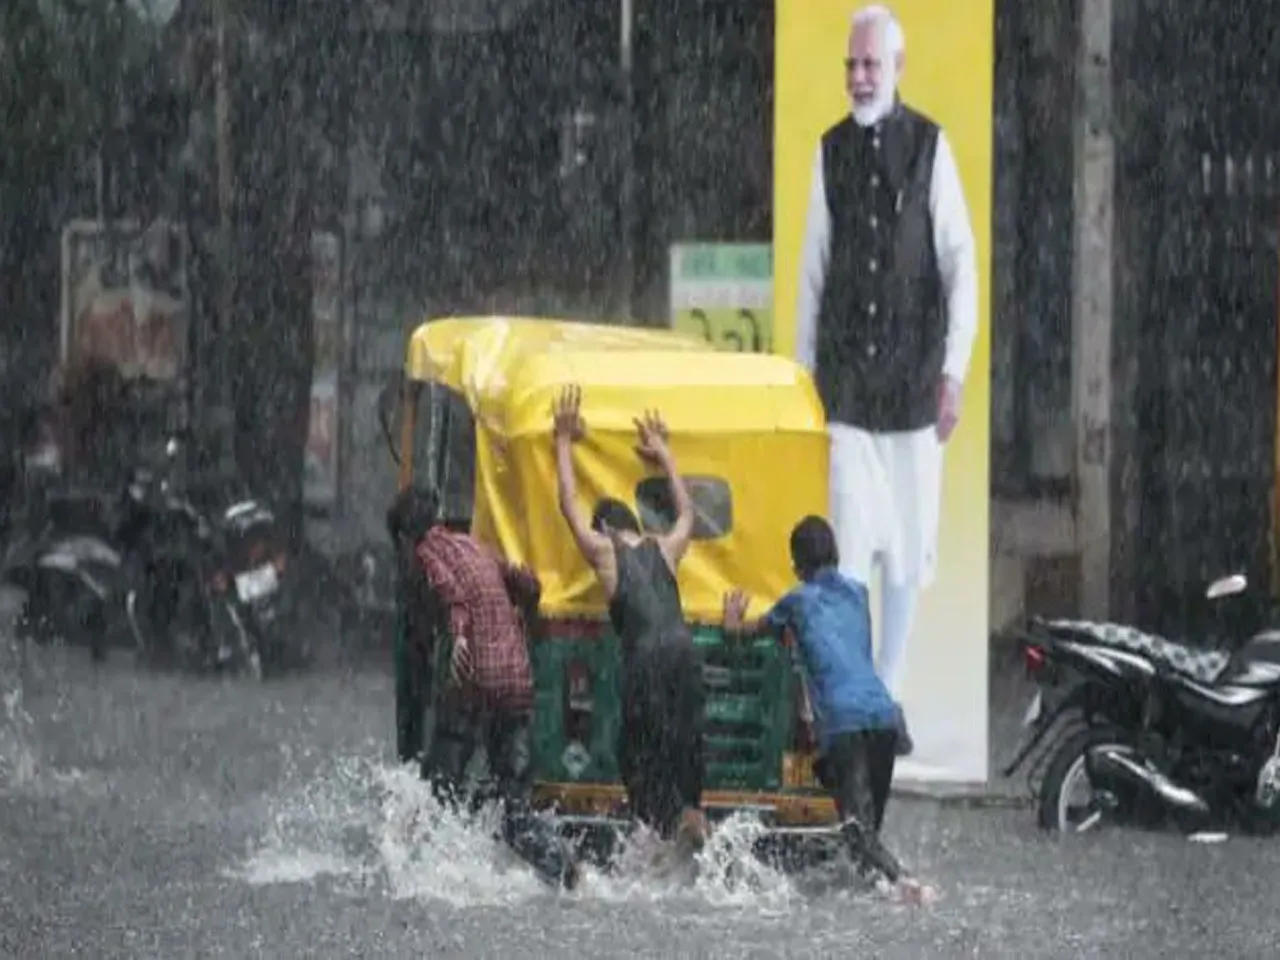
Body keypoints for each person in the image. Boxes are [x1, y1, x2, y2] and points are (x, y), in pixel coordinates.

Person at [794, 4, 980, 755]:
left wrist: (953, 372)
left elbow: (959, 267)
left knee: (908, 549)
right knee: (850, 548)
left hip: (911, 391)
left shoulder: (931, 148)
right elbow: (814, 272)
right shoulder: (829, 152)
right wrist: (804, 378)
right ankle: (856, 693)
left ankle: (889, 693)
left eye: (871, 64)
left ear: (897, 68)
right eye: (851, 64)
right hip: (845, 390)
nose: (859, 76)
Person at [722, 515, 937, 905]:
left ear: (797, 565)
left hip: (844, 722)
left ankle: (910, 885)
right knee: (865, 831)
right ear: (835, 553)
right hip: (883, 716)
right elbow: (855, 653)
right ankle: (883, 887)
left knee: (857, 832)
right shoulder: (858, 594)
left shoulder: (796, 601)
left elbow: (752, 633)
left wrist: (733, 623)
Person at [551, 384, 710, 855]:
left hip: (646, 657)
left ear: (606, 527)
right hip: (685, 651)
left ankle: (654, 840)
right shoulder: (663, 547)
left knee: (638, 752)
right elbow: (688, 516)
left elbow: (567, 504)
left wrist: (563, 440)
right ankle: (692, 815)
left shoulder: (605, 550)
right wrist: (665, 455)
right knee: (683, 742)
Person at [407, 484, 582, 891]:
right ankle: (563, 866)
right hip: (516, 683)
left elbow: (451, 596)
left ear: (403, 537)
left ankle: (426, 868)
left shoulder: (425, 553)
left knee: (442, 787)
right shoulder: (476, 546)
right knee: (515, 808)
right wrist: (528, 620)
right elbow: (527, 583)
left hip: (476, 682)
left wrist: (461, 636)